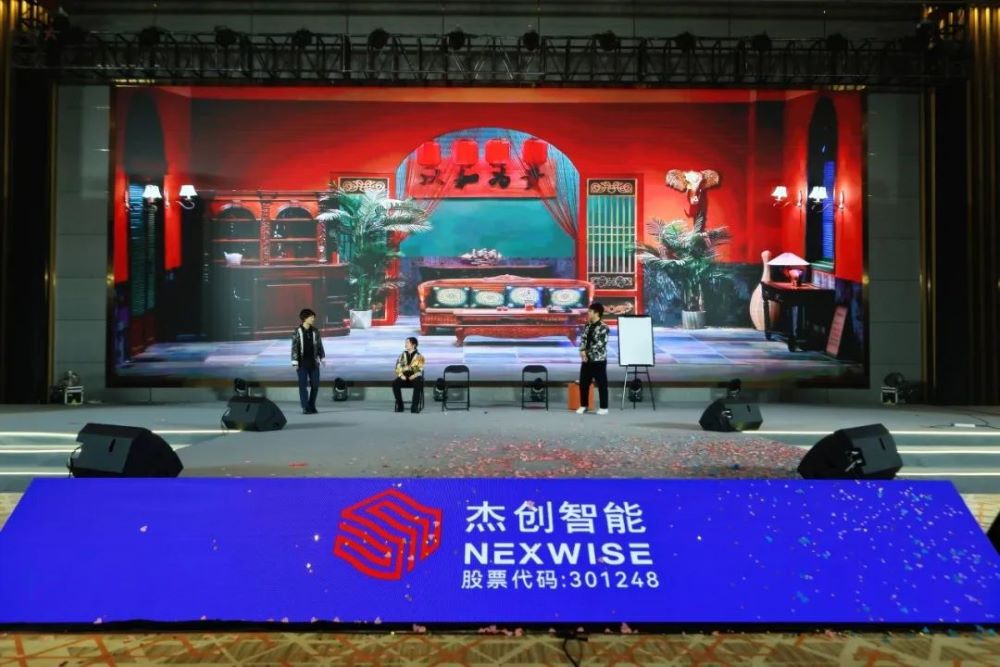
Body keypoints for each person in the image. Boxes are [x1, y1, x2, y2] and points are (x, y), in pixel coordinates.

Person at [577, 302, 610, 415]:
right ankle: (583, 405)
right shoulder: (587, 326)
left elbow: (600, 344)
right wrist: (582, 351)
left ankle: (604, 408)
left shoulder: (604, 327)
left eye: (590, 311)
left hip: (598, 360)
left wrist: (586, 352)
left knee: (602, 384)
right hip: (586, 360)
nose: (588, 313)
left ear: (597, 313)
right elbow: (583, 339)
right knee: (583, 383)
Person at [291, 308, 325, 414]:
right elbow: (294, 347)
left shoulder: (315, 331)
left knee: (315, 384)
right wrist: (295, 362)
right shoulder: (297, 331)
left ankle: (312, 405)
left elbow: (319, 345)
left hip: (314, 363)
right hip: (302, 364)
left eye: (313, 317)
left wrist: (322, 357)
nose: (313, 319)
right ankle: (305, 407)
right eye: (311, 317)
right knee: (303, 385)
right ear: (305, 318)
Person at [392, 337, 426, 413]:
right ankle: (400, 405)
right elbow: (398, 367)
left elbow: (420, 369)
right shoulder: (402, 355)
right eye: (405, 343)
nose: (406, 344)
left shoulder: (419, 356)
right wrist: (401, 375)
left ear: (413, 345)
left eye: (407, 343)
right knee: (395, 383)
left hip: (415, 376)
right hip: (404, 376)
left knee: (418, 382)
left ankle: (414, 406)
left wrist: (413, 375)